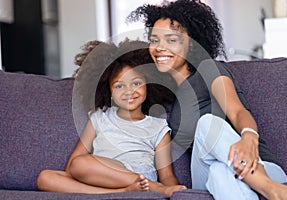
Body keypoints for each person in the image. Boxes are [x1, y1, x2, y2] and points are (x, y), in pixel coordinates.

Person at [128, 0, 287, 199]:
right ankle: (274, 193)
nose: (159, 48)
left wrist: (249, 138)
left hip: (261, 166)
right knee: (216, 170)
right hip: (206, 174)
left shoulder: (208, 69)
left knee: (211, 138)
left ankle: (272, 188)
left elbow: (237, 111)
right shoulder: (165, 95)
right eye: (155, 40)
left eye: (171, 40)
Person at [36, 39, 186, 197]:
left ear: (148, 84)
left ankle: (150, 187)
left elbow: (166, 175)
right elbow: (73, 165)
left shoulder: (158, 126)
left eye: (136, 83)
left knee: (81, 163)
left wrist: (172, 191)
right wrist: (94, 174)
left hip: (141, 178)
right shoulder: (100, 118)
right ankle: (117, 193)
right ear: (109, 92)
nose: (129, 91)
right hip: (101, 177)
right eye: (119, 86)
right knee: (45, 178)